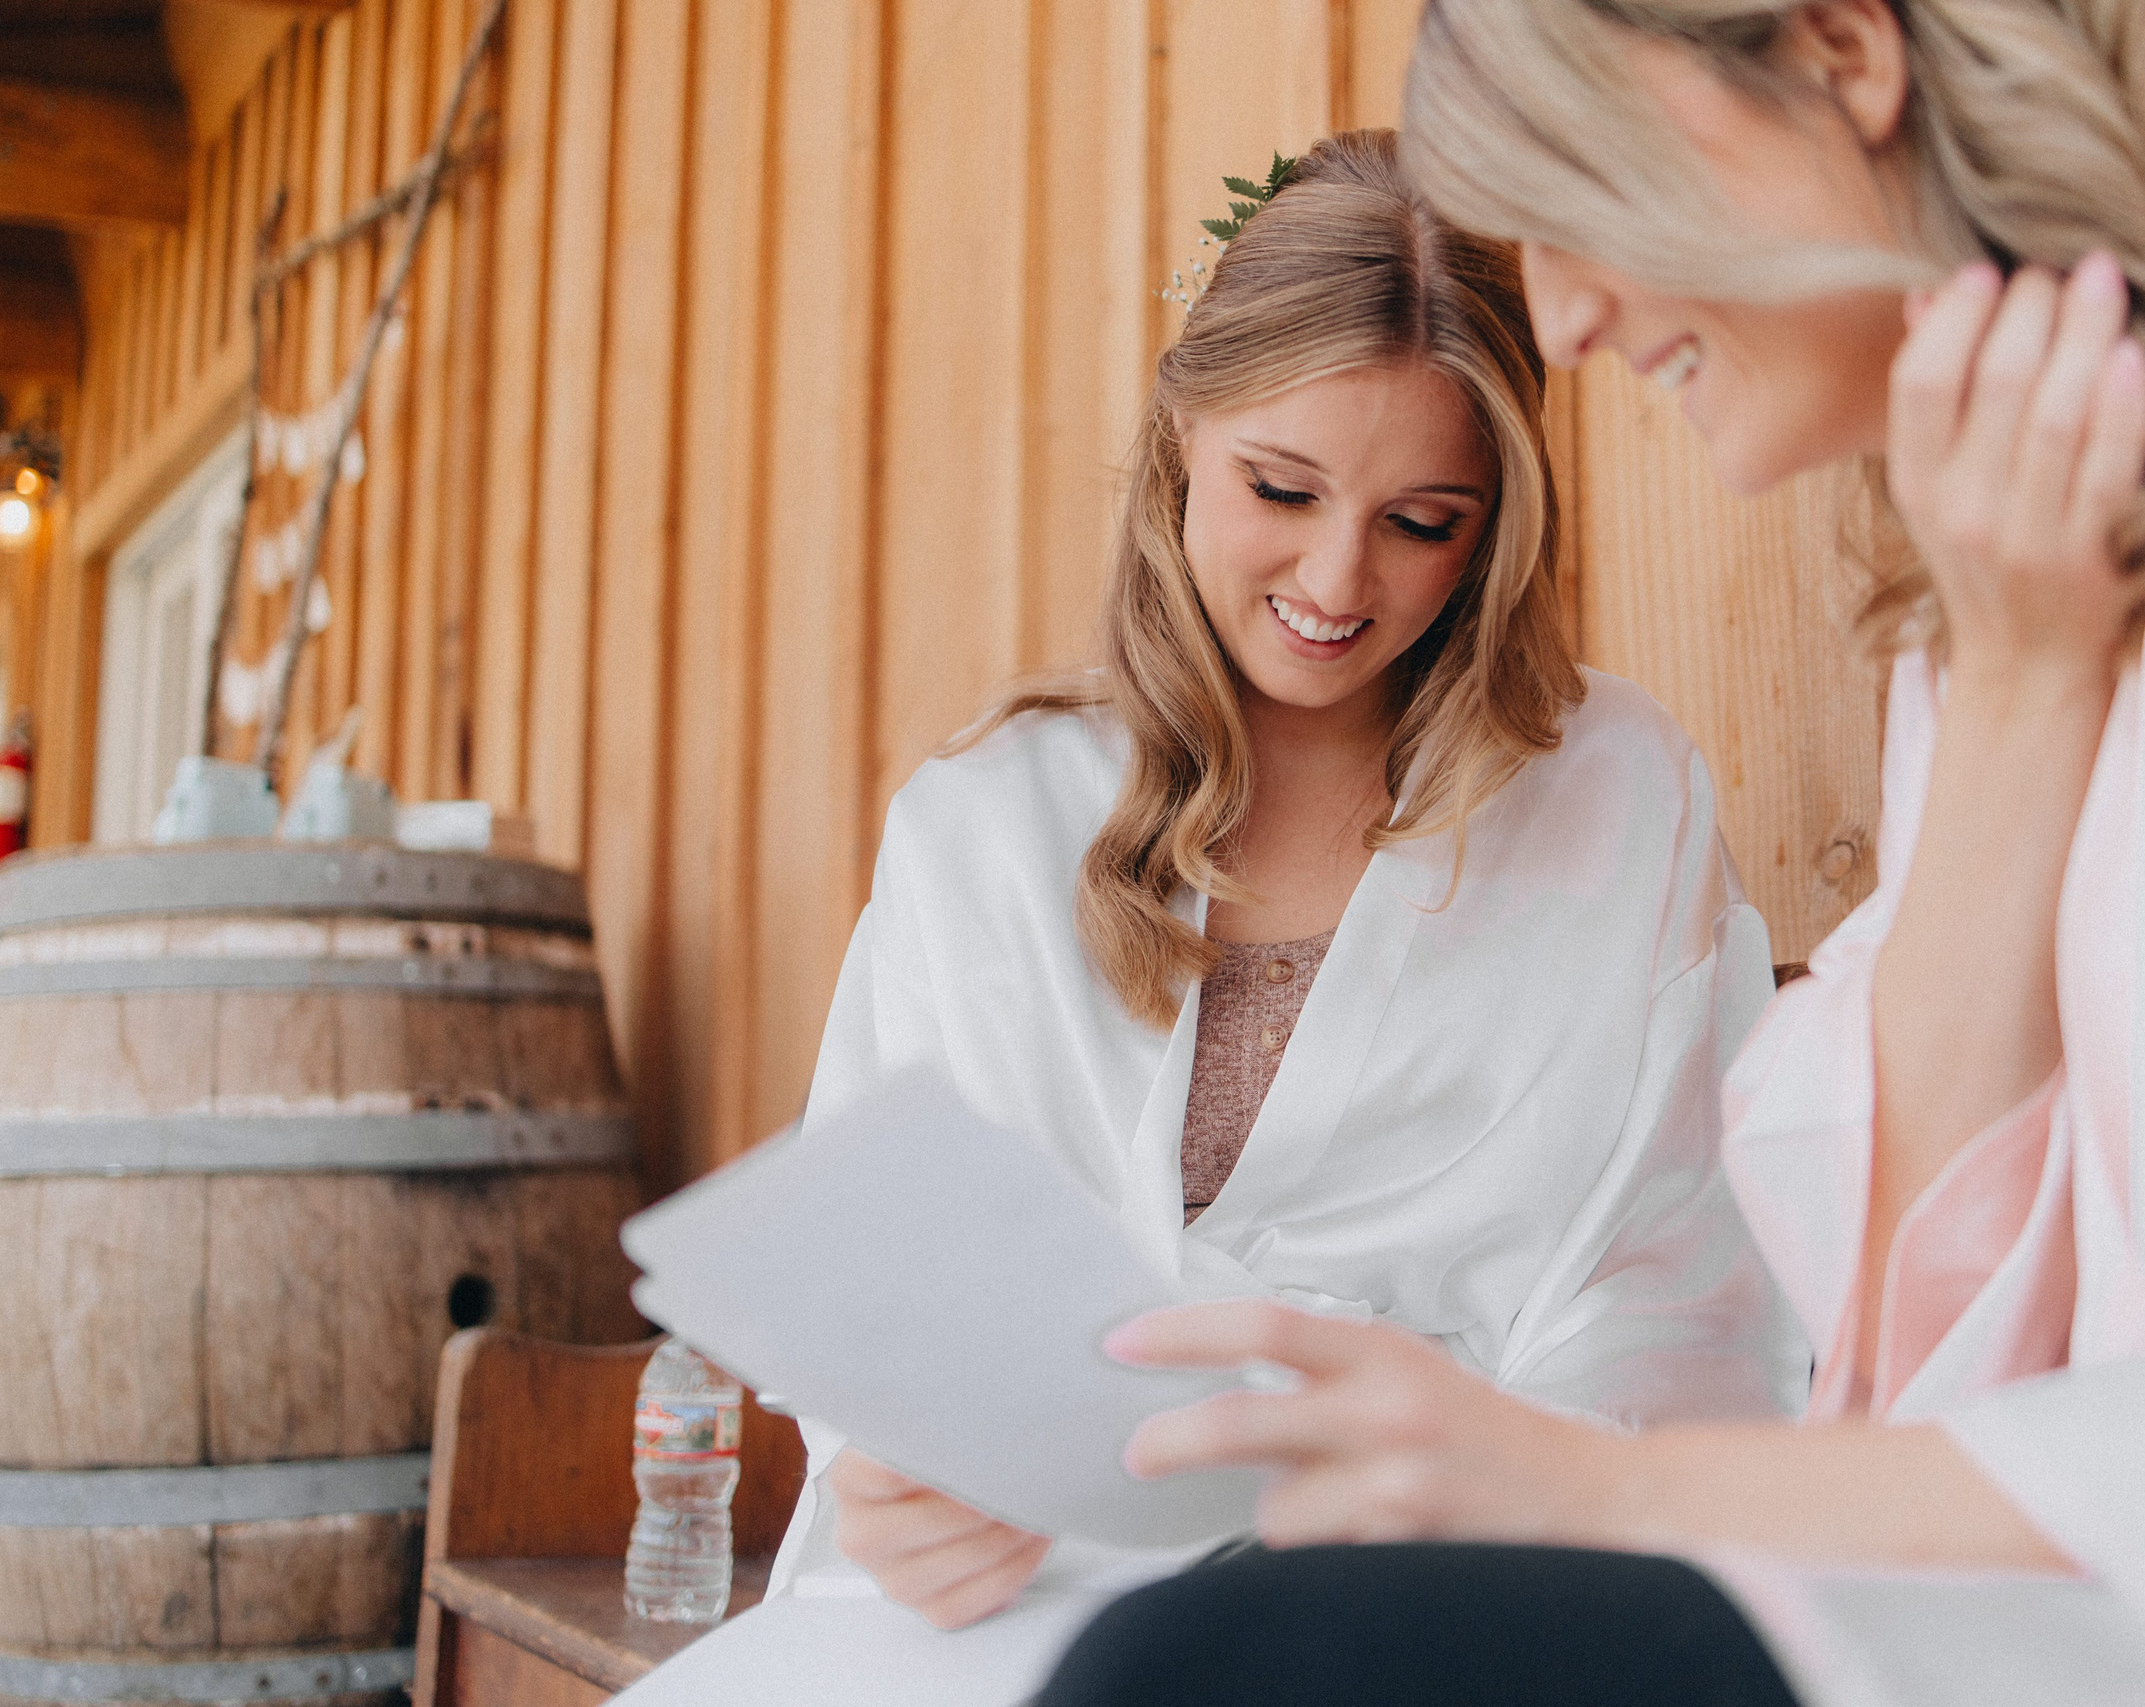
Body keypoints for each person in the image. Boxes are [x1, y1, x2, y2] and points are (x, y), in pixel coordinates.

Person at [1036, 3, 2145, 1705]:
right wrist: (2025, 684)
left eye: (1576, 183)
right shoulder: (1995, 594)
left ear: (1837, 54)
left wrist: (1588, 1489)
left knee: (1222, 1675)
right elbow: (1926, 1340)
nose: (1570, 315)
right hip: (2017, 1603)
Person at [767, 128, 1807, 1633]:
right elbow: (883, 1298)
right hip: (1022, 1593)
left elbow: (1674, 1291)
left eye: (1419, 525)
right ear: (1184, 439)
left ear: (1494, 531)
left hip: (1450, 1586)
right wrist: (897, 1483)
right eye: (1282, 489)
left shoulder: (1615, 798)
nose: (1335, 584)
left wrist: (1458, 1500)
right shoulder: (985, 827)